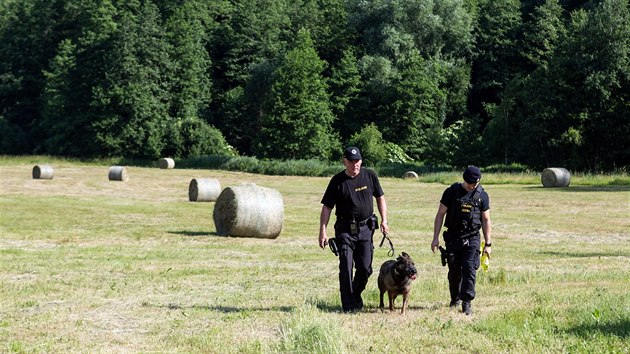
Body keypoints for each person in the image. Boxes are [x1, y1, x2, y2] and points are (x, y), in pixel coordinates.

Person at [319, 146, 389, 312]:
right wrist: (323, 230)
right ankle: (348, 305)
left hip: (366, 228)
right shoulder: (337, 181)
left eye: (357, 161)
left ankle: (355, 294)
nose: (354, 164)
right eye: (351, 161)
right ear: (345, 161)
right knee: (346, 266)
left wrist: (384, 220)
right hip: (344, 230)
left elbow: (380, 198)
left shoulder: (370, 175)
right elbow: (327, 208)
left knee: (365, 268)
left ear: (361, 161)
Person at [431, 166, 492, 315]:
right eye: (471, 184)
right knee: (454, 271)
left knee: (470, 269)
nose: (473, 186)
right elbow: (440, 214)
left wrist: (488, 244)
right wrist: (435, 238)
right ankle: (455, 298)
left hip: (472, 237)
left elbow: (486, 219)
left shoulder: (482, 195)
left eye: (475, 184)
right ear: (465, 180)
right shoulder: (451, 192)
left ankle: (467, 302)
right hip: (453, 237)